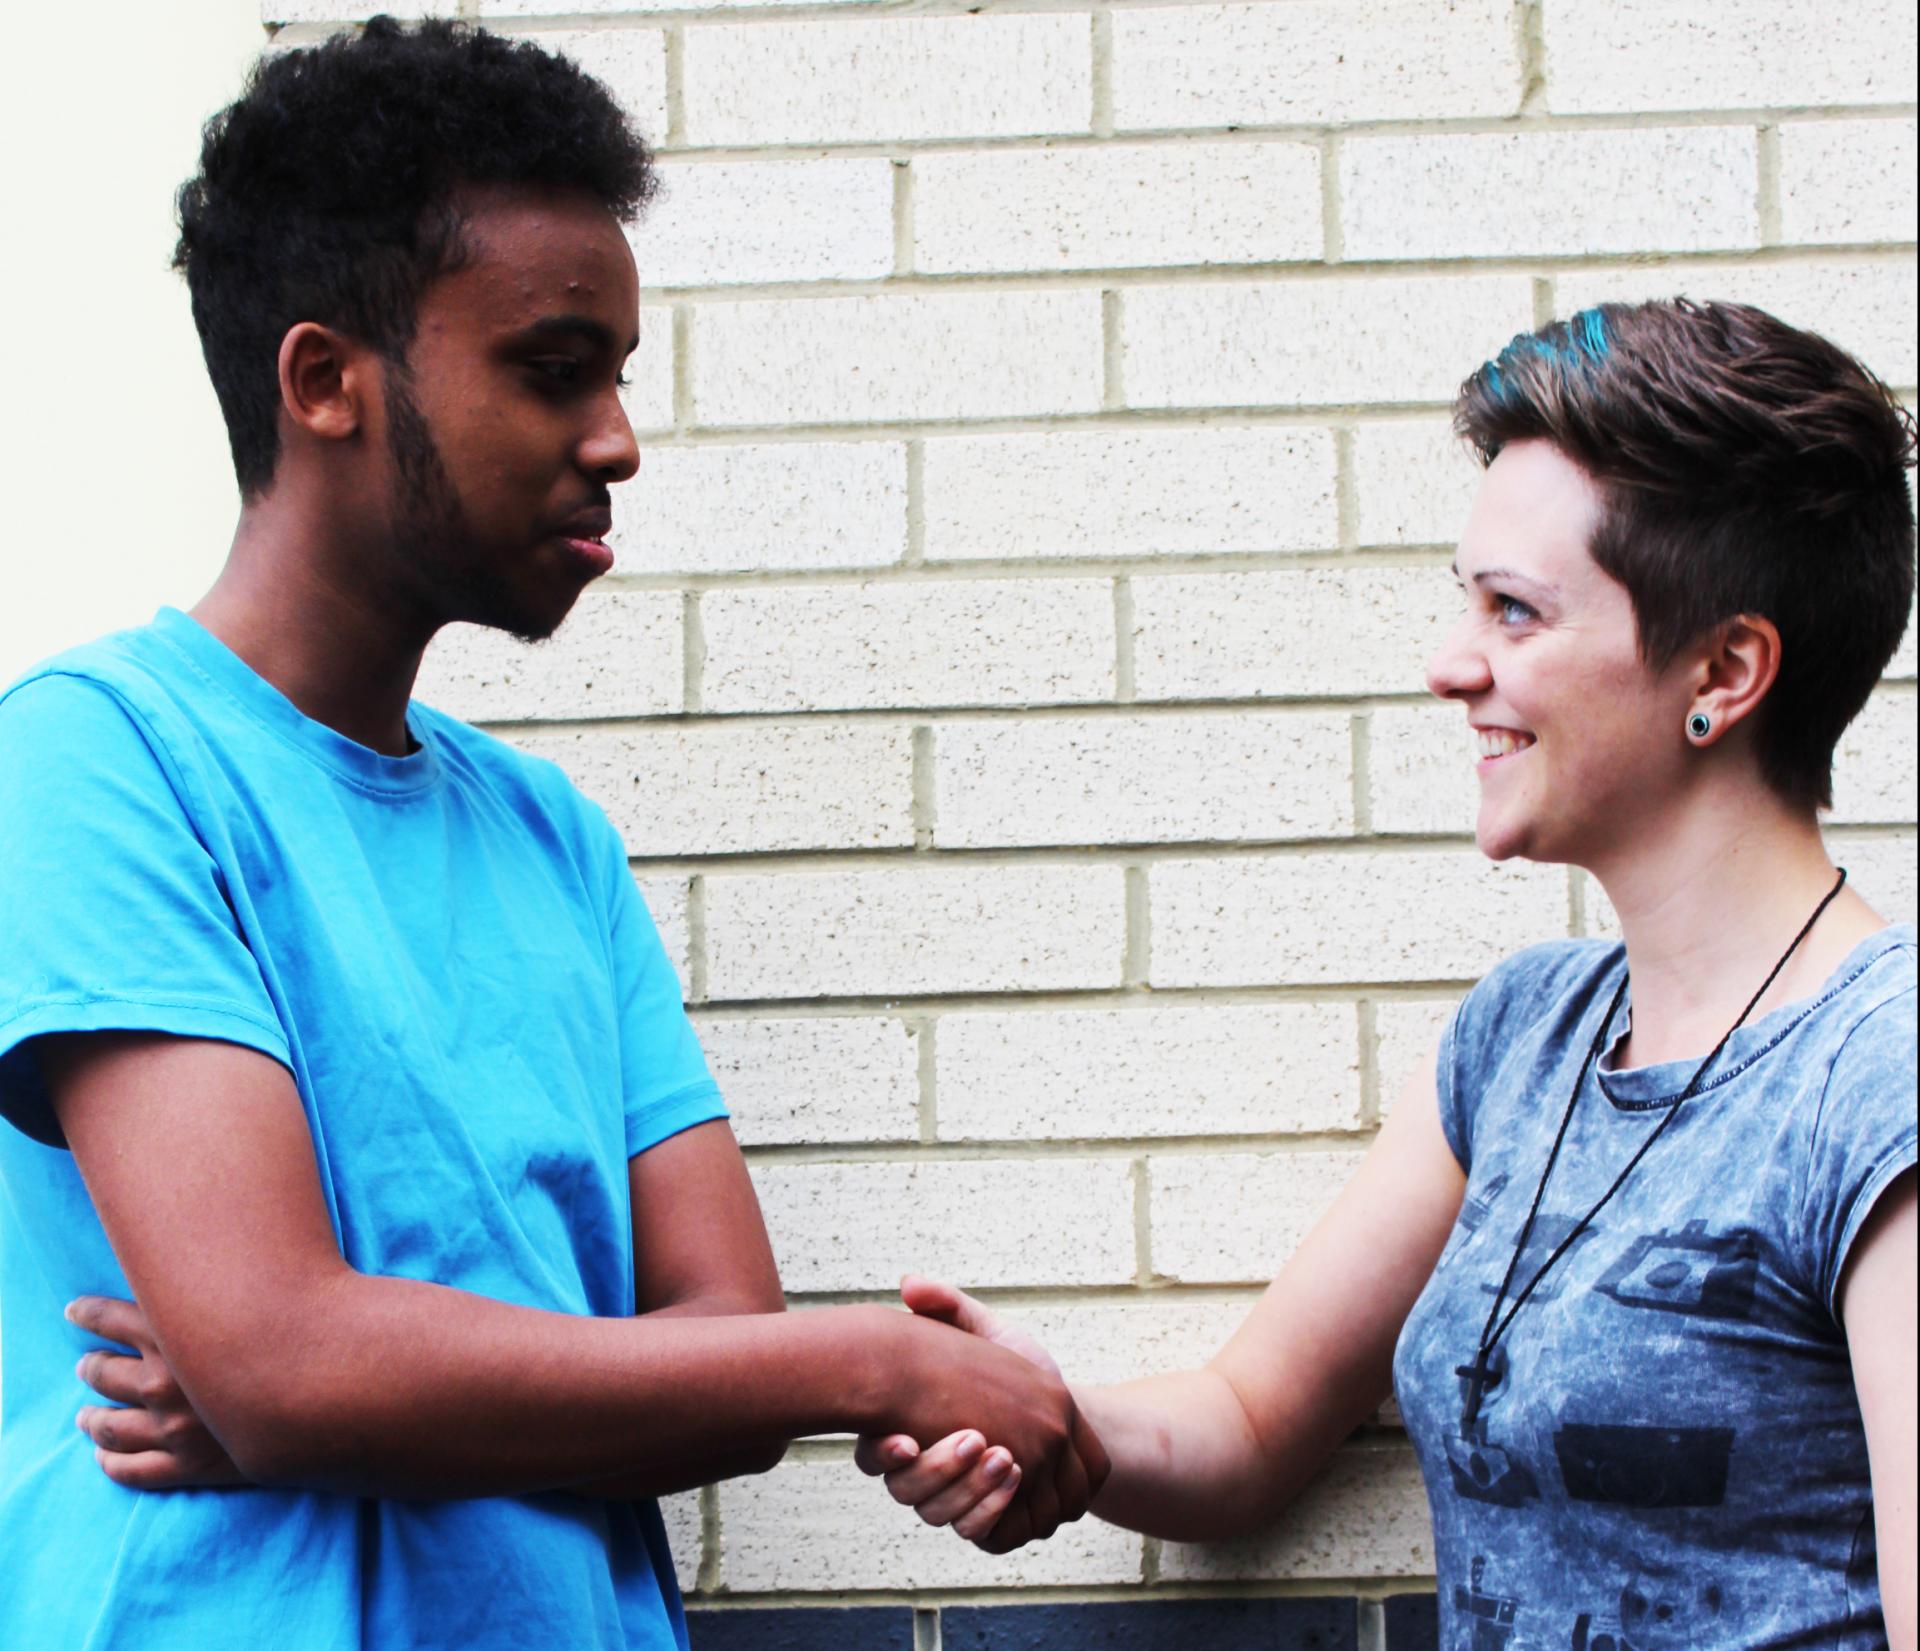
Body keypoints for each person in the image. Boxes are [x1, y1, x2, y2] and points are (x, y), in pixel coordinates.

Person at [0, 20, 1102, 1649]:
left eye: (616, 376)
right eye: (550, 367)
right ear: (326, 382)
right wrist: (877, 1359)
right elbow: (290, 1364)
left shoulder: (550, 838)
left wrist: (370, 1386)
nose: (616, 439)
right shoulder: (94, 764)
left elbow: (723, 1348)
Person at [856, 300, 1918, 1647]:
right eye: (1466, 601)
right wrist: (1055, 1424)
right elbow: (1248, 1425)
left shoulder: (1880, 1077)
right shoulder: (1523, 1041)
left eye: (1515, 612)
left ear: (1725, 670)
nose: (1450, 664)